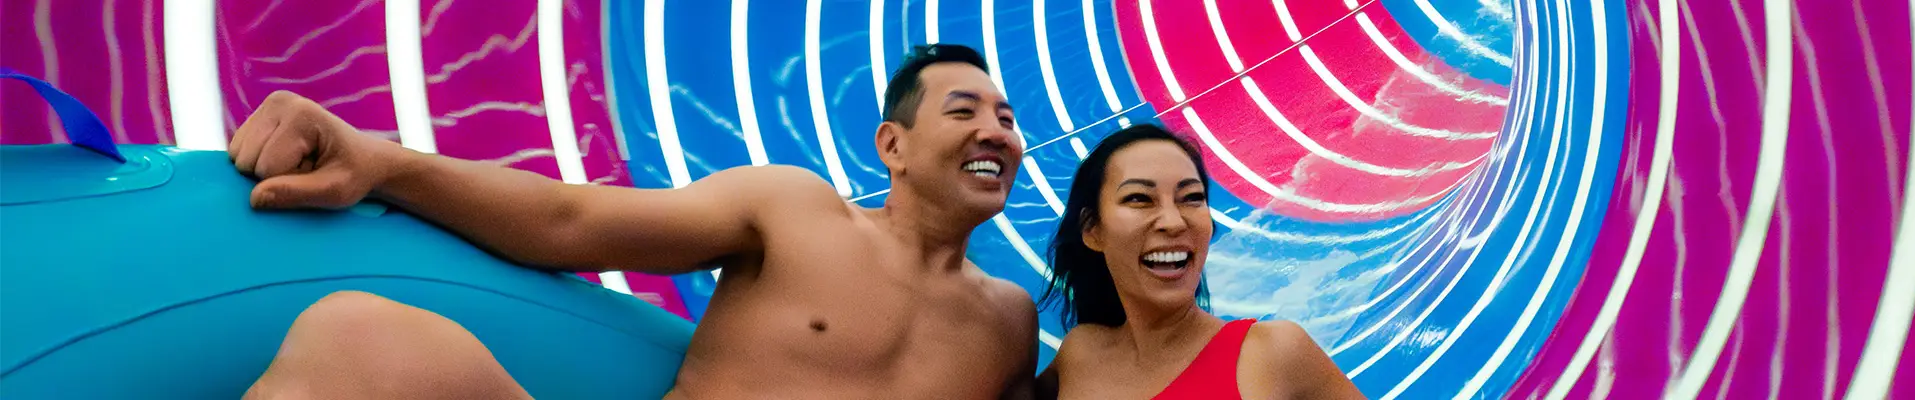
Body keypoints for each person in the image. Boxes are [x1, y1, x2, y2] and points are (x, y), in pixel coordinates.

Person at [232, 44, 1041, 399]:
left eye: (1008, 118)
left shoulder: (1010, 323)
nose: (995, 132)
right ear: (893, 145)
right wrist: (386, 163)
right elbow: (570, 220)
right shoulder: (796, 207)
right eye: (966, 110)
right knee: (357, 338)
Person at [1032, 124, 1362, 399]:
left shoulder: (1274, 353)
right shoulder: (1079, 354)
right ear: (1092, 230)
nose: (1174, 222)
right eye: (1139, 199)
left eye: (1192, 198)